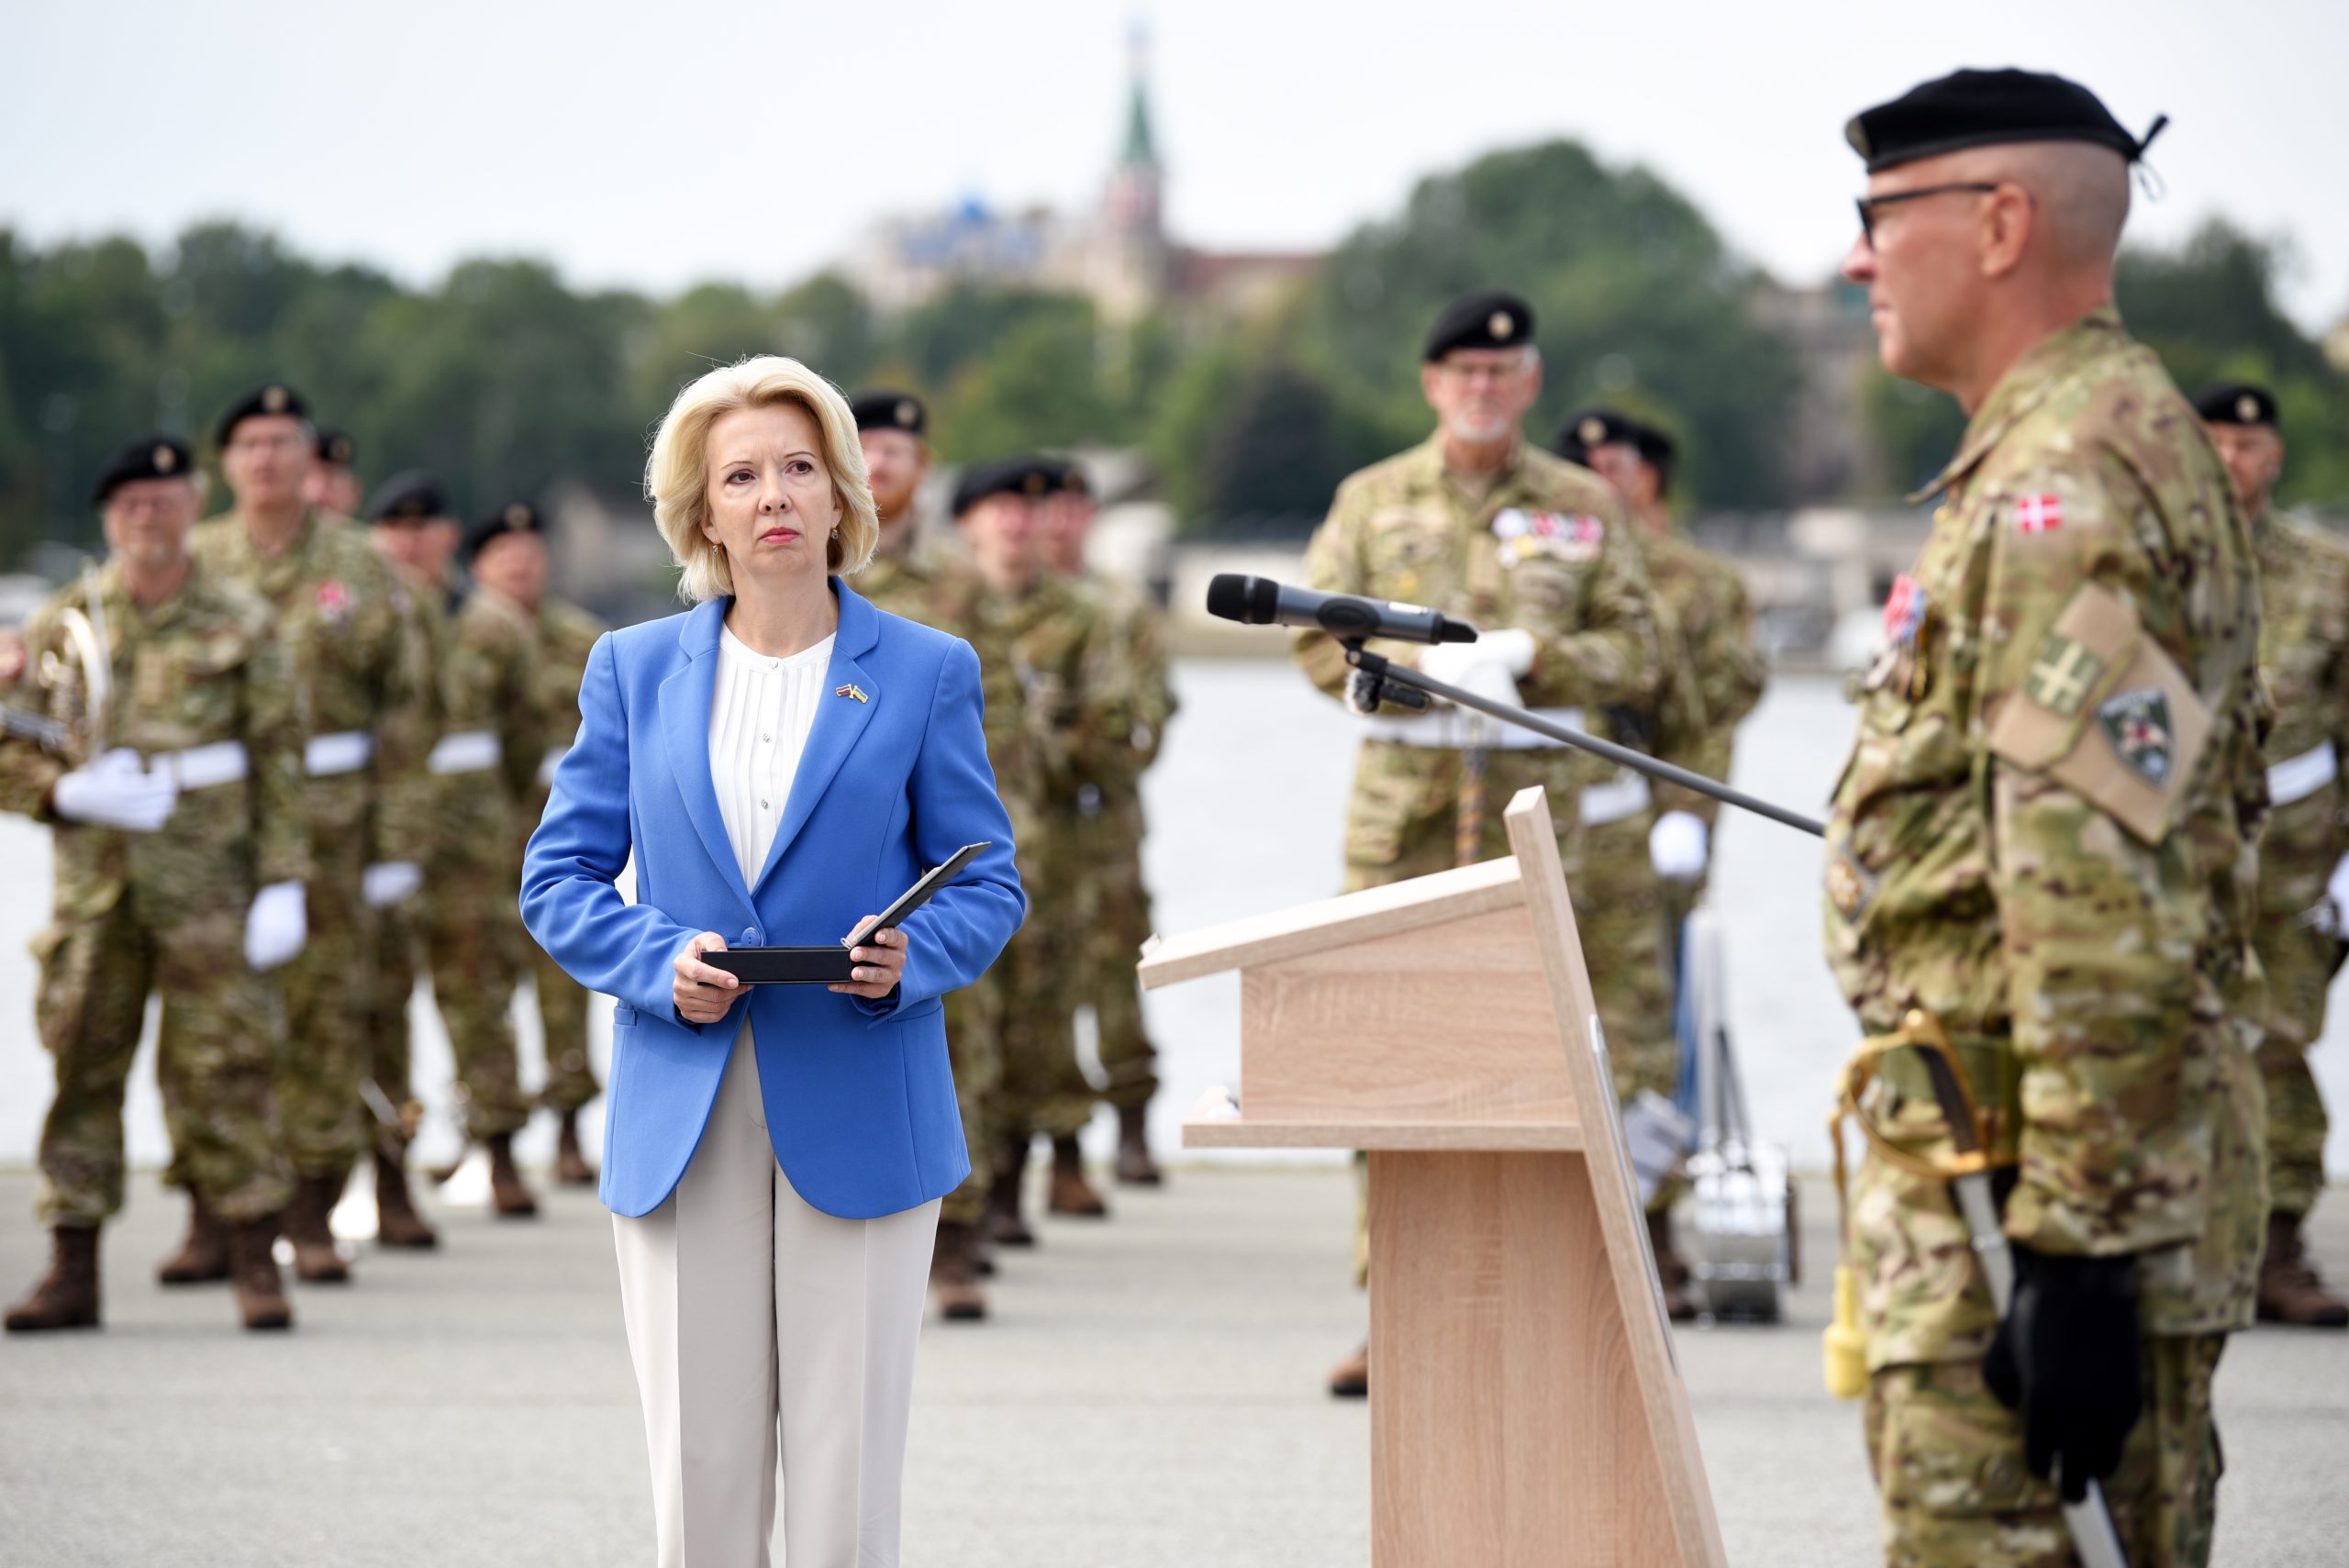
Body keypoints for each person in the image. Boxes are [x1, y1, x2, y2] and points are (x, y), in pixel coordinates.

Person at [1827, 71, 2265, 1565]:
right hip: (2037, 1158)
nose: (1856, 257)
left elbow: (2094, 885)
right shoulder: (2090, 438)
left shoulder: (2063, 480)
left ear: (2000, 223)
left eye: (1881, 216)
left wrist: (2070, 1246)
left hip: (2019, 1179)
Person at [520, 356, 1023, 1567]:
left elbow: (987, 877)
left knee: (848, 1469)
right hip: (682, 1096)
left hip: (862, 1087)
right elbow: (557, 881)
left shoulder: (928, 669)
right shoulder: (630, 670)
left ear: (846, 495)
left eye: (799, 467)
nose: (773, 495)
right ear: (702, 511)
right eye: (740, 475)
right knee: (700, 1463)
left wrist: (914, 954)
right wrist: (657, 957)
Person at [1292, 289, 1667, 1395]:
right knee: (1386, 1056)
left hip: (1543, 823)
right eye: (1462, 371)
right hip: (1404, 820)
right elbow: (1316, 641)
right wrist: (1390, 691)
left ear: (1532, 382)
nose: (1483, 388)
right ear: (1430, 382)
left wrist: (1533, 663)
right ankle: (1390, 1300)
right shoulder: (1372, 498)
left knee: (1553, 1063)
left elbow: (1641, 650)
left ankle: (1555, 1308)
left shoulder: (1582, 504)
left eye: (1502, 373)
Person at [1, 434, 305, 1332]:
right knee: (83, 1063)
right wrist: (62, 789)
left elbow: (281, 758)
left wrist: (283, 881)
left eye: (165, 498)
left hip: (208, 882)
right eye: (131, 501)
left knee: (228, 1069)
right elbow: (10, 742)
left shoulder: (241, 618)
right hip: (98, 886)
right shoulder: (66, 619)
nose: (149, 515)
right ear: (109, 515)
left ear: (192, 504)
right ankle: (73, 1264)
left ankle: (256, 1256)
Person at [183, 385, 431, 1286]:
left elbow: (405, 712)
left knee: (327, 1018)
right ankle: (213, 1207)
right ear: (226, 461)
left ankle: (313, 1211)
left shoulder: (362, 566)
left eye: (283, 441)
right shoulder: (196, 558)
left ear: (306, 456)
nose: (266, 458)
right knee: (210, 1026)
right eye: (248, 442)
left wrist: (400, 842)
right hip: (211, 831)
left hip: (334, 825)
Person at [850, 392, 1012, 1319]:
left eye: (897, 446)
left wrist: (987, 849)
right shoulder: (810, 565)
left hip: (938, 845)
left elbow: (1001, 726)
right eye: (862, 444)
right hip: (843, 835)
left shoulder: (960, 581)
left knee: (962, 1032)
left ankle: (956, 1239)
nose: (880, 460)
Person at [2197, 382, 2349, 1328]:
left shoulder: (2326, 576)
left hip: (2294, 853)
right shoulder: (2154, 564)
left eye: (2246, 444)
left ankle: (2278, 1245)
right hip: (2180, 852)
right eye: (2211, 441)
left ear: (2273, 455)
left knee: (2279, 1041)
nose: (2229, 461)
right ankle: (2193, 1248)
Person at [959, 458, 1116, 1246]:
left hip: (1047, 852)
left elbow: (1121, 726)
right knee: (968, 1022)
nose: (1020, 525)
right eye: (1001, 510)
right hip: (949, 857)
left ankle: (1015, 1183)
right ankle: (967, 1198)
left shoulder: (1084, 616)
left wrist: (1066, 738)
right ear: (969, 524)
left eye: (1032, 513)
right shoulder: (939, 610)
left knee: (1035, 1020)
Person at [1038, 456, 1178, 1185]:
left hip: (1109, 826)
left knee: (1120, 976)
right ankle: (1061, 1145)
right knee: (1044, 977)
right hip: (1036, 828)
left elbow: (1153, 710)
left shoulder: (1122, 609)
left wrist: (1100, 740)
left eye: (1071, 509)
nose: (1056, 524)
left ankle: (1132, 1123)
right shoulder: (1005, 603)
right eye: (1045, 509)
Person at [467, 501, 611, 1186]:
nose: (521, 563)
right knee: (481, 984)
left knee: (564, 987)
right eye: (505, 552)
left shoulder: (582, 637)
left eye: (531, 550)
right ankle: (492, 1136)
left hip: (556, 828)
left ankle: (567, 1123)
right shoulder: (459, 638)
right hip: (475, 838)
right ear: (479, 565)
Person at [305, 427, 363, 519]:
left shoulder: (372, 534)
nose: (324, 488)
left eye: (335, 477)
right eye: (316, 475)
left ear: (356, 494)